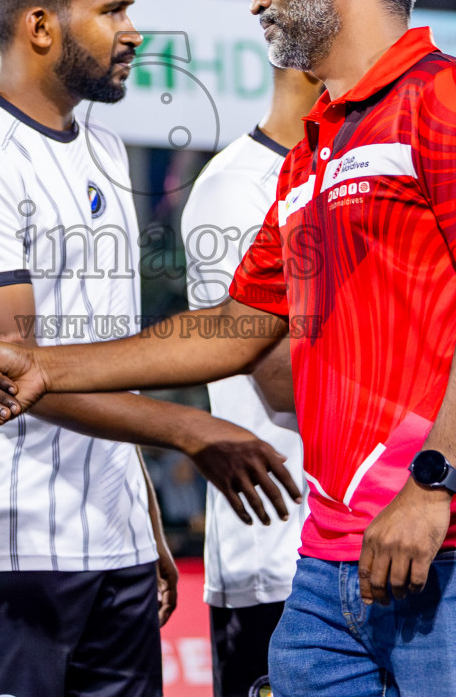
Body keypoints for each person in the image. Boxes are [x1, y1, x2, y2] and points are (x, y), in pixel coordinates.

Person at [0, 0, 456, 696]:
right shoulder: (313, 154)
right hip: (331, 560)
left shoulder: (450, 99)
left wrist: (432, 485)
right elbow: (236, 325)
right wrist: (48, 368)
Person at [0, 0, 301, 697]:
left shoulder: (103, 149)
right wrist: (191, 428)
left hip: (109, 547)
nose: (133, 31)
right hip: (2, 551)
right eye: (113, 9)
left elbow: (98, 358)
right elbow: (14, 369)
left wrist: (141, 514)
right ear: (42, 26)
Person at [179, 65, 323, 697]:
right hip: (278, 562)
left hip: (363, 547)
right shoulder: (239, 187)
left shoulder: (356, 174)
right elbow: (282, 378)